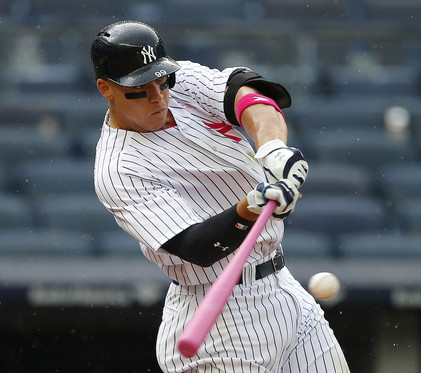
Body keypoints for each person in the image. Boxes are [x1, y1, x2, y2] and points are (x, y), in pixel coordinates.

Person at [90, 20, 350, 373]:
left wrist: (273, 148)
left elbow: (251, 94)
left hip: (284, 288)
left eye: (161, 81)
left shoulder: (180, 84)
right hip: (221, 321)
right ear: (106, 88)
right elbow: (194, 247)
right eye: (139, 89)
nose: (158, 96)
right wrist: (248, 208)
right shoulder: (119, 168)